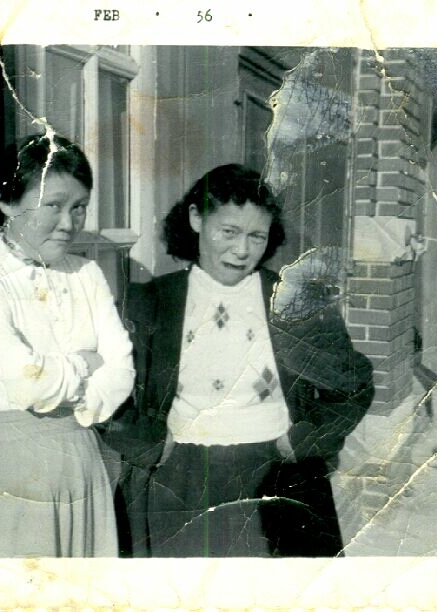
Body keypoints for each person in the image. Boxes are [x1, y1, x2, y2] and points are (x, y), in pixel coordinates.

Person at [103, 164, 374, 557]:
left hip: (276, 471)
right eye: (228, 232)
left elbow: (354, 384)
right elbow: (102, 389)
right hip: (180, 478)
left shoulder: (296, 303)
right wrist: (145, 443)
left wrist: (304, 440)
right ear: (196, 218)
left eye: (256, 236)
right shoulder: (150, 303)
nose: (242, 250)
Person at [0, 134, 134, 557]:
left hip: (84, 463)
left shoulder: (87, 275)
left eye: (79, 207)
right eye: (53, 205)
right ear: (9, 202)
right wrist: (87, 364)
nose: (69, 222)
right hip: (16, 472)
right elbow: (27, 385)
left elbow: (121, 371)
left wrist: (63, 378)